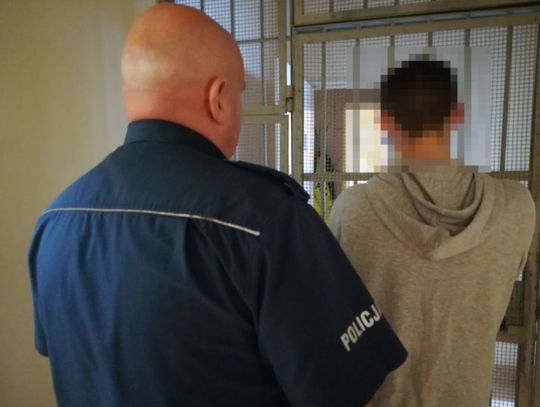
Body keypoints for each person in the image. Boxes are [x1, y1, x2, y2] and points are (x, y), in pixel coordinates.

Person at [28, 4, 406, 406]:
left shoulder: (54, 222)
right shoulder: (266, 220)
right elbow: (345, 392)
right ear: (218, 98)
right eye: (240, 93)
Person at [329, 57, 536, 407]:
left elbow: (336, 313)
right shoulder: (517, 206)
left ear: (385, 123)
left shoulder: (352, 210)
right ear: (457, 116)